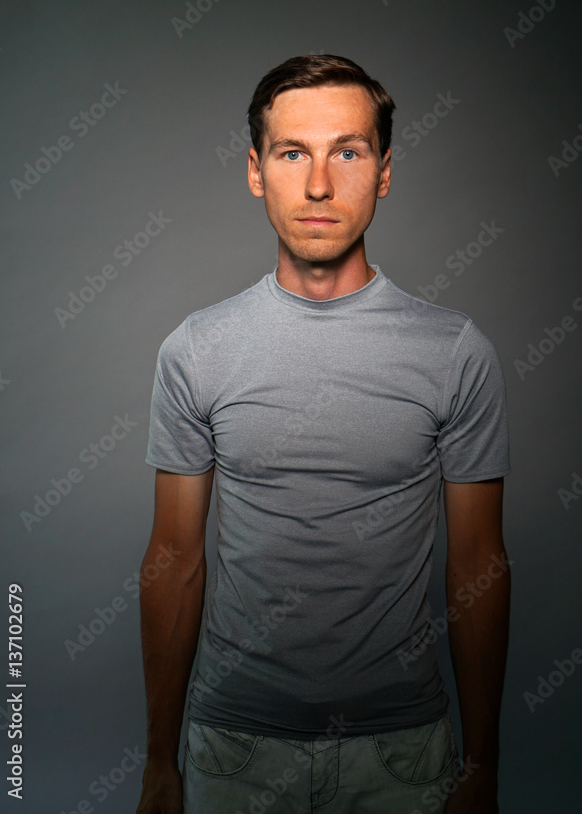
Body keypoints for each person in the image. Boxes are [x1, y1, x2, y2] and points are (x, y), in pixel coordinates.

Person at [135, 54, 511, 814]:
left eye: (347, 151)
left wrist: (482, 764)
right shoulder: (196, 349)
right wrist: (158, 762)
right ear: (254, 171)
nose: (317, 185)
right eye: (291, 153)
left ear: (383, 172)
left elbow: (480, 564)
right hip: (234, 747)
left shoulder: (454, 352)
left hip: (402, 752)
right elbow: (173, 558)